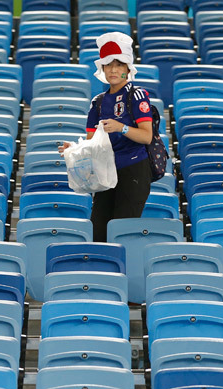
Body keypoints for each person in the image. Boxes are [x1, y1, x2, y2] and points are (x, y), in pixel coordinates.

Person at [59, 32, 154, 242]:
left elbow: (147, 137)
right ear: (102, 68)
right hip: (105, 173)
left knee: (121, 233)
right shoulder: (98, 102)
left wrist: (121, 127)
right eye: (108, 64)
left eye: (119, 65)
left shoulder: (137, 95)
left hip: (134, 170)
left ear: (128, 69)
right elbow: (93, 144)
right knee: (98, 233)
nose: (113, 70)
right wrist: (74, 148)